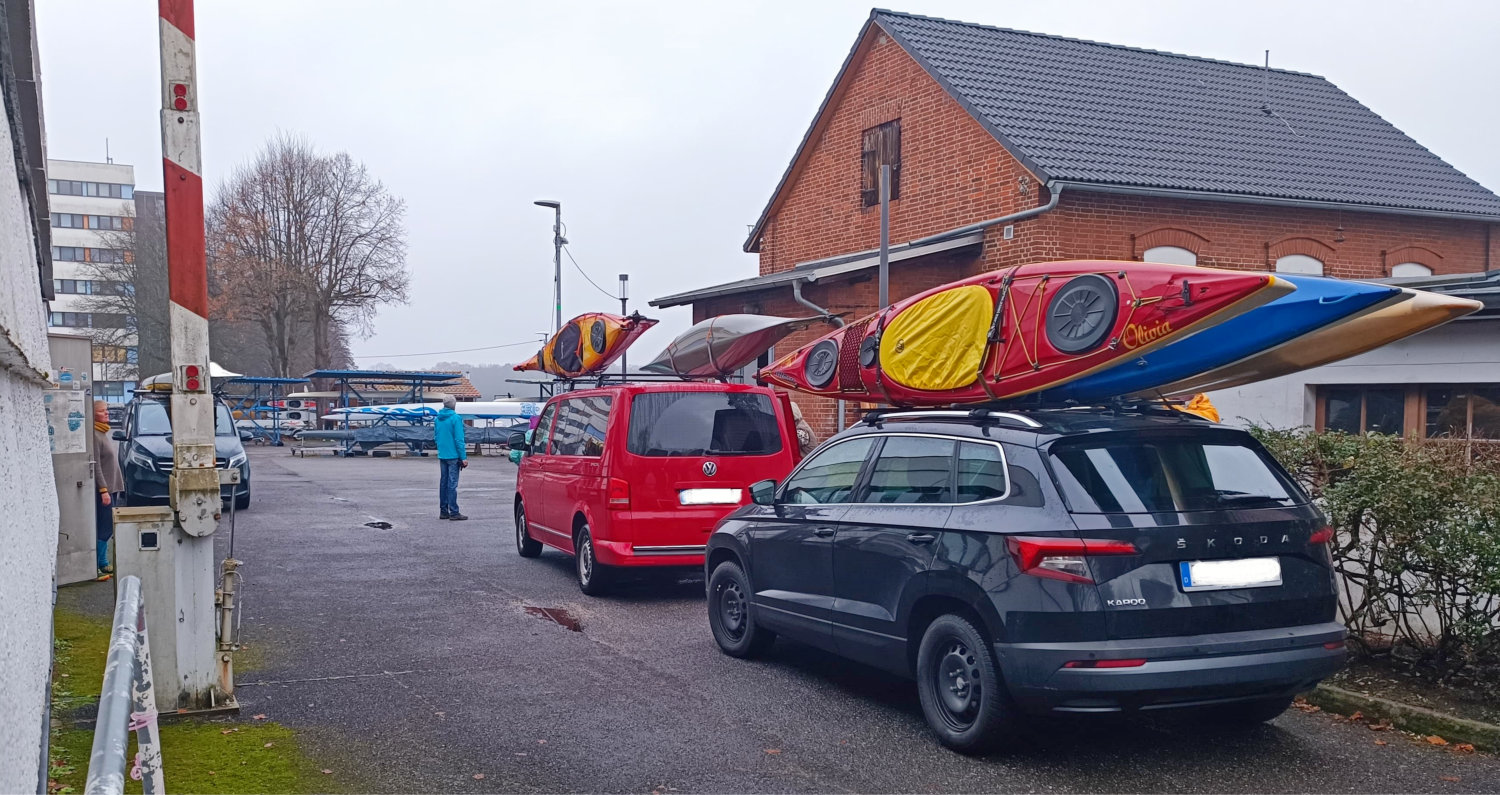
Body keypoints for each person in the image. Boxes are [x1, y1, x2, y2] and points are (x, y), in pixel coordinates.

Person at [92, 400, 124, 579]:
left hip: (112, 486)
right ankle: (98, 564)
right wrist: (103, 490)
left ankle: (102, 562)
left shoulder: (103, 432)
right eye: (102, 411)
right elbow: (96, 465)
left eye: (106, 410)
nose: (107, 413)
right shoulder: (95, 436)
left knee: (108, 525)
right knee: (104, 527)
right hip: (105, 490)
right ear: (93, 414)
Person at [434, 393, 468, 520]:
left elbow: (436, 436)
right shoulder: (456, 418)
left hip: (442, 454)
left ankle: (443, 511)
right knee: (452, 484)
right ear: (454, 405)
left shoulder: (437, 419)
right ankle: (454, 511)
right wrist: (463, 457)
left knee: (443, 482)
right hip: (453, 455)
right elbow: (459, 439)